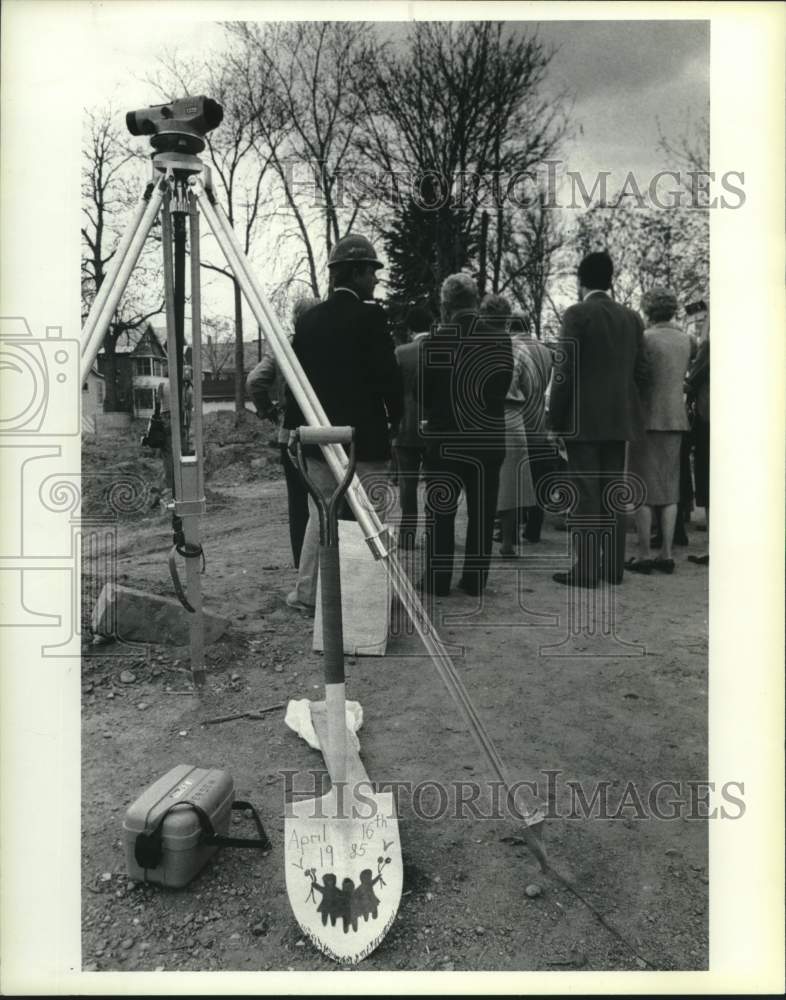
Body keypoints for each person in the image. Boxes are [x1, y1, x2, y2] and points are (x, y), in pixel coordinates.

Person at [283, 234, 403, 613]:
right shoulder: (371, 318)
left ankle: (306, 593)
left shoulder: (309, 322)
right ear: (355, 272)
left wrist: (293, 428)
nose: (375, 280)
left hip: (317, 439)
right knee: (373, 514)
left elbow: (294, 382)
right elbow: (389, 379)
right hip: (364, 442)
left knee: (321, 517)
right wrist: (397, 422)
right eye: (372, 271)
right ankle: (378, 593)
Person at [548, 251, 649, 588]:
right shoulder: (632, 319)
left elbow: (563, 371)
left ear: (581, 281)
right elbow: (643, 372)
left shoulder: (577, 314)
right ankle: (612, 569)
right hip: (619, 420)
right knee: (611, 494)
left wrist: (554, 421)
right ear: (611, 278)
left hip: (583, 421)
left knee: (585, 495)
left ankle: (587, 571)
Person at [420, 273, 513, 597]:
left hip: (446, 437)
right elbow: (502, 387)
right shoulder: (500, 340)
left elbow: (423, 394)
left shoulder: (435, 340)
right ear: (476, 301)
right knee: (483, 512)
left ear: (445, 304)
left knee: (441, 511)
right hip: (487, 436)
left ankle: (438, 578)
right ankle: (475, 580)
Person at [626, 287, 696, 574]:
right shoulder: (687, 340)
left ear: (648, 310)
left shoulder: (644, 339)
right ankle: (666, 553)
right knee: (669, 489)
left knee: (642, 488)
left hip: (646, 418)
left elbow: (638, 375)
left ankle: (643, 553)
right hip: (675, 419)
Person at [246, 295, 318, 569]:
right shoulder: (327, 346)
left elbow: (254, 381)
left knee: (297, 502)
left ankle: (301, 562)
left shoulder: (281, 347)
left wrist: (268, 411)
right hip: (325, 431)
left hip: (289, 433)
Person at [480, 295, 535, 557]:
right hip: (513, 417)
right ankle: (508, 543)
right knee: (512, 483)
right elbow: (530, 387)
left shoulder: (476, 345)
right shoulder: (518, 350)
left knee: (484, 480)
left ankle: (480, 539)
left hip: (482, 416)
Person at [392, 304, 432, 548]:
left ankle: (407, 536)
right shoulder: (444, 351)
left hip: (406, 425)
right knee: (437, 481)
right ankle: (434, 532)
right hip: (436, 427)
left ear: (409, 328)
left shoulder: (400, 353)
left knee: (407, 483)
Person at [514, 316, 555, 544]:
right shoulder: (546, 351)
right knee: (538, 476)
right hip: (539, 419)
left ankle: (514, 523)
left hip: (518, 420)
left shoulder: (512, 348)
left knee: (516, 475)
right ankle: (534, 527)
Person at [686, 315, 710, 566]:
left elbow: (691, 382)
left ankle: (712, 547)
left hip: (709, 419)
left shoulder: (709, 347)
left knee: (707, 481)